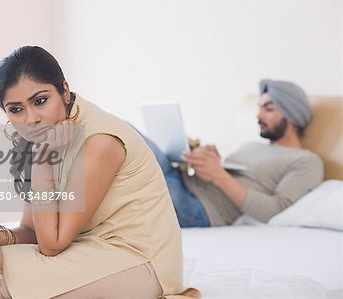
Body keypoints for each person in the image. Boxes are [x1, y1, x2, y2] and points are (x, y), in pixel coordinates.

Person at [0, 46, 200, 299]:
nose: (31, 119)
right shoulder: (45, 137)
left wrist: (42, 160)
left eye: (40, 101)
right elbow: (32, 230)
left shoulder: (101, 140)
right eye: (16, 109)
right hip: (94, 252)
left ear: (64, 90)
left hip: (142, 261)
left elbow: (52, 244)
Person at [139, 79, 324, 227]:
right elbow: (223, 175)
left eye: (268, 109)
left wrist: (218, 175)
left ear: (293, 115)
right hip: (183, 182)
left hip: (200, 208)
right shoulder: (251, 146)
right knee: (128, 135)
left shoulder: (306, 161)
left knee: (128, 140)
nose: (258, 116)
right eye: (259, 108)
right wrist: (203, 159)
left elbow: (277, 210)